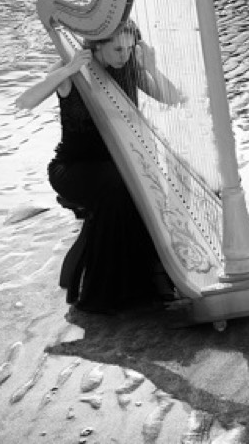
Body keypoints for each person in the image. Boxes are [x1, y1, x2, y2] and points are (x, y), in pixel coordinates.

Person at [48, 21, 174, 312]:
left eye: (130, 49)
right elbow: (36, 92)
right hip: (73, 169)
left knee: (132, 183)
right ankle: (113, 288)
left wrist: (151, 68)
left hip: (118, 169)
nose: (124, 55)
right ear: (95, 45)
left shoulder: (129, 69)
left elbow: (173, 98)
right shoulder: (70, 71)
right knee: (123, 184)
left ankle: (149, 278)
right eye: (117, 48)